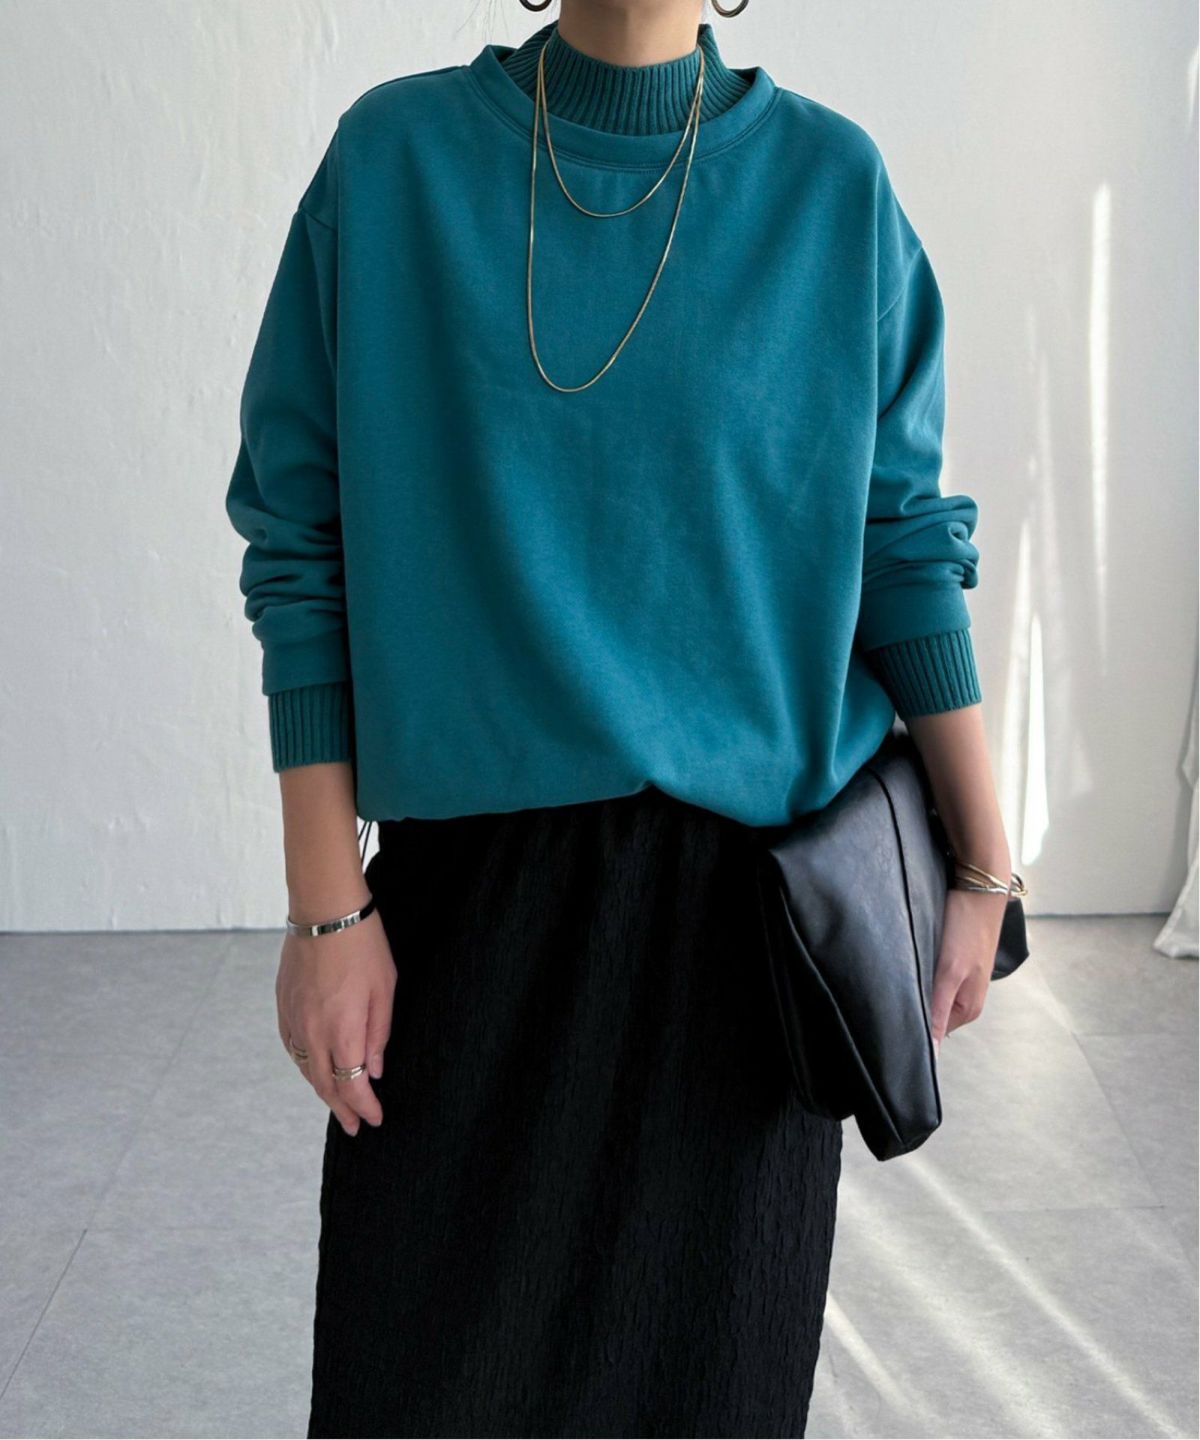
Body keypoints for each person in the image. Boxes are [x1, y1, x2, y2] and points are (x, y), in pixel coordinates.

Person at [224, 2, 1015, 1435]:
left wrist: (987, 864)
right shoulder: (392, 165)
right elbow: (299, 545)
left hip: (748, 951)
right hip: (467, 933)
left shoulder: (833, 190)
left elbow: (903, 544)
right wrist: (325, 908)